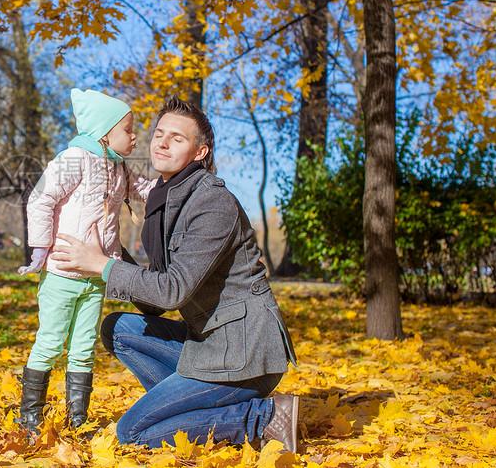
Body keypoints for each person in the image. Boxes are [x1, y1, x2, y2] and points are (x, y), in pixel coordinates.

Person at [52, 96, 300, 453]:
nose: (162, 142)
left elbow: (173, 292)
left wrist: (102, 266)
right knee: (118, 329)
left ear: (200, 152)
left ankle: (262, 417)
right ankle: (187, 410)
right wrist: (111, 251)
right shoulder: (166, 200)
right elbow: (155, 308)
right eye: (158, 134)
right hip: (209, 344)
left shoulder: (212, 202)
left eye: (177, 138)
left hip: (245, 356)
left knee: (132, 433)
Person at [16, 88, 156, 433]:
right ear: (104, 132)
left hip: (95, 275)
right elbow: (40, 198)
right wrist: (40, 247)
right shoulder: (74, 158)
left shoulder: (119, 167)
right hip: (63, 271)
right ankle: (30, 416)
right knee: (50, 342)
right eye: (127, 129)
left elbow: (148, 190)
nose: (134, 136)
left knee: (82, 349)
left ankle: (76, 418)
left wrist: (184, 185)